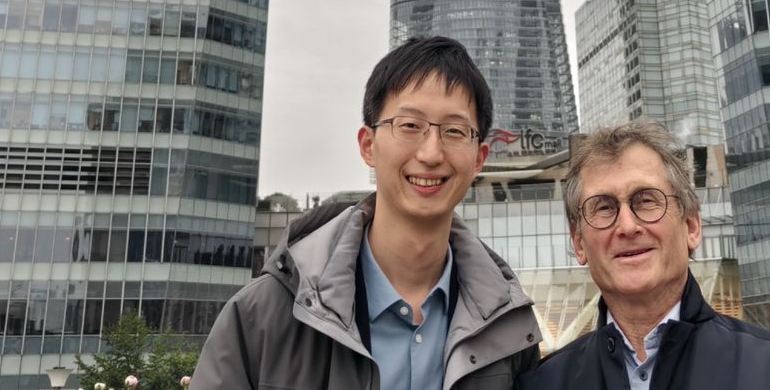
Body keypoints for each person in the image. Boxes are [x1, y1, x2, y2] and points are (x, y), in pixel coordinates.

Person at [195, 36, 541, 390]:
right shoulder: (264, 314)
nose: (431, 153)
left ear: (479, 160)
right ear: (368, 146)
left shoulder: (509, 328)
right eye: (409, 126)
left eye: (454, 131)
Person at [517, 122, 770, 390]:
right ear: (579, 242)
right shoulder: (542, 384)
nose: (627, 225)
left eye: (646, 200)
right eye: (604, 207)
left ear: (691, 225)